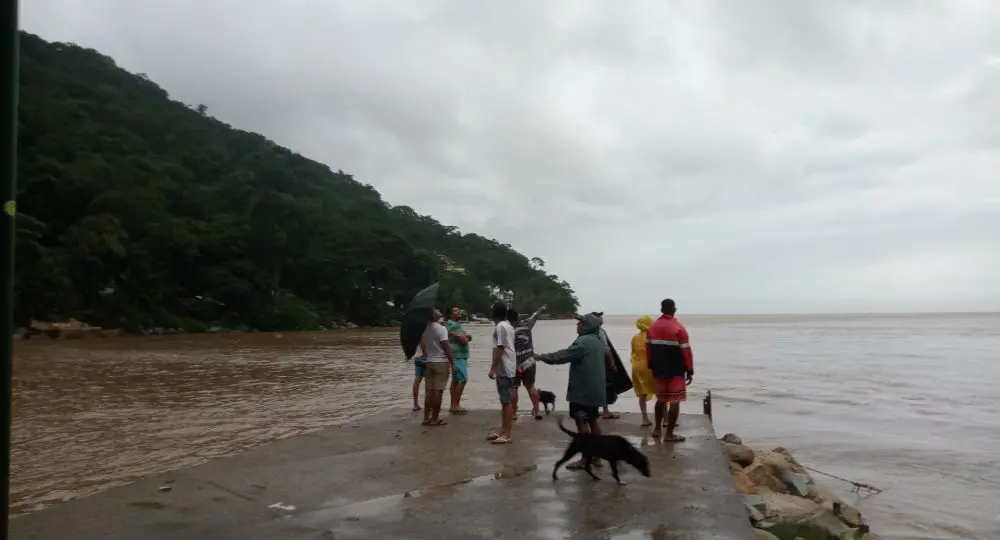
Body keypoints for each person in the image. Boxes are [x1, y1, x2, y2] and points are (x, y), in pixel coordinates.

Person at [533, 313, 607, 470]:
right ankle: (597, 455)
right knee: (593, 420)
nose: (577, 326)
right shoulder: (598, 341)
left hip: (582, 391)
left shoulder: (583, 342)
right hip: (596, 391)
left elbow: (563, 356)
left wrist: (541, 357)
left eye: (580, 323)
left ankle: (585, 459)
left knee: (582, 423)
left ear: (586, 326)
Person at [646, 299, 694, 442]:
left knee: (660, 399)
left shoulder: (652, 327)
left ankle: (656, 429)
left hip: (658, 368)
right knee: (674, 401)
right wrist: (690, 370)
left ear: (661, 310)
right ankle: (669, 434)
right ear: (674, 309)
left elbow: (648, 349)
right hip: (675, 369)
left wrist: (651, 365)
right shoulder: (679, 328)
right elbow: (686, 351)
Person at [486, 302, 517, 444]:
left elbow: (500, 348)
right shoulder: (509, 326)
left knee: (506, 402)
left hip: (504, 367)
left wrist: (493, 368)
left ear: (494, 314)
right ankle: (503, 430)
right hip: (510, 366)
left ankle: (507, 434)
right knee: (505, 401)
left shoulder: (500, 327)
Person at [509, 304, 547, 420]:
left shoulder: (508, 329)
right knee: (530, 386)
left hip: (515, 362)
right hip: (529, 361)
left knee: (514, 387)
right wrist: (541, 309)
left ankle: (514, 412)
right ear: (517, 316)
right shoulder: (527, 325)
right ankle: (537, 411)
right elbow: (534, 316)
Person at [421, 308, 455, 426]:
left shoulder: (426, 328)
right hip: (441, 362)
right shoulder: (441, 329)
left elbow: (425, 344)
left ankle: (426, 417)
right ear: (433, 315)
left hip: (429, 361)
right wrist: (453, 364)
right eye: (436, 310)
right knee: (438, 392)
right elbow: (446, 348)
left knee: (429, 391)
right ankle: (435, 419)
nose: (439, 311)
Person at [589, 312, 620, 420]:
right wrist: (612, 362)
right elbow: (606, 348)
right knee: (604, 385)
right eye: (599, 317)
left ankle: (595, 409)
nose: (601, 318)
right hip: (601, 362)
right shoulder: (599, 331)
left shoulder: (588, 332)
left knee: (596, 385)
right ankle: (605, 411)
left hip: (592, 362)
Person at [444, 305, 472, 415]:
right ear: (451, 314)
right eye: (455, 311)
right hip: (458, 356)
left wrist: (465, 336)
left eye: (458, 310)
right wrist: (465, 337)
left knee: (455, 381)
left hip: (458, 355)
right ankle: (455, 404)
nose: (459, 312)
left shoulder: (456, 324)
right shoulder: (452, 325)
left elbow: (469, 337)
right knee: (463, 379)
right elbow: (465, 340)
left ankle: (453, 405)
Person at [630, 315, 656, 427]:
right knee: (660, 393)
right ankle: (665, 419)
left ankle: (645, 418)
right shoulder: (654, 337)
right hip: (651, 367)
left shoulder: (635, 338)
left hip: (637, 368)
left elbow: (633, 353)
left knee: (642, 393)